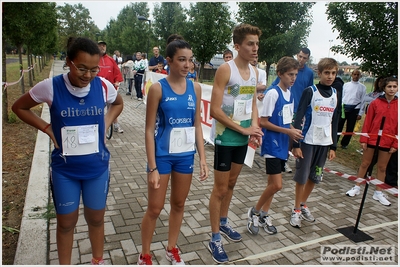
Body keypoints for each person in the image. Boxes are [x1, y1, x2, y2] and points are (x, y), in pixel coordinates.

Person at [11, 37, 123, 265]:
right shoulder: (51, 87)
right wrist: (47, 128)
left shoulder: (102, 86)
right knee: (65, 223)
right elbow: (19, 107)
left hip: (97, 168)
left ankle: (98, 260)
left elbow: (118, 103)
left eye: (93, 69)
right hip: (65, 171)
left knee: (96, 220)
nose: (87, 75)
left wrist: (106, 123)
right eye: (81, 68)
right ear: (69, 62)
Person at [138, 39, 209, 265]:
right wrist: (152, 167)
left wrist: (203, 159)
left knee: (179, 204)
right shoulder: (158, 89)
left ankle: (171, 248)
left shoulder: (195, 87)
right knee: (155, 208)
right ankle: (145, 255)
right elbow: (149, 130)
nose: (187, 65)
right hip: (162, 156)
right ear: (168, 61)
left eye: (190, 60)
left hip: (185, 156)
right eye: (181, 60)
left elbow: (197, 125)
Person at [208, 23, 263, 264]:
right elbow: (215, 110)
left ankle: (223, 222)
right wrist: (243, 129)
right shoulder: (225, 70)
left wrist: (255, 127)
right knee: (219, 189)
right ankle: (214, 238)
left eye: (257, 44)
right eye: (250, 44)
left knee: (231, 185)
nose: (255, 48)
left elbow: (252, 103)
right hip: (225, 137)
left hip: (242, 137)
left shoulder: (255, 71)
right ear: (237, 46)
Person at [247, 56, 303, 235]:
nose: (293, 78)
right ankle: (254, 212)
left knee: (272, 184)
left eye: (295, 75)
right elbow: (263, 122)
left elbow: (287, 122)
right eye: (289, 75)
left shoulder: (291, 94)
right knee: (277, 185)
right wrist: (288, 132)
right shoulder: (273, 93)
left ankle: (264, 214)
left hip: (283, 145)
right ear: (280, 74)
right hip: (272, 144)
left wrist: (295, 134)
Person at [289, 57, 340, 228]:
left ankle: (303, 204)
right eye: (327, 73)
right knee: (302, 176)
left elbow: (335, 120)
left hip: (324, 143)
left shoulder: (335, 94)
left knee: (315, 176)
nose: (330, 76)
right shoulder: (310, 91)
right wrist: (296, 144)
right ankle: (296, 209)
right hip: (308, 141)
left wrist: (333, 146)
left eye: (333, 73)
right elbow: (299, 116)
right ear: (319, 73)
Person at [345, 76, 397, 206]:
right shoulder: (375, 103)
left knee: (382, 167)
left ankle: (378, 192)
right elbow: (368, 123)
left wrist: (396, 144)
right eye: (389, 86)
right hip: (372, 140)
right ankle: (357, 186)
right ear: (384, 88)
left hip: (387, 142)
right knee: (365, 164)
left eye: (394, 86)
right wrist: (364, 139)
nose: (392, 89)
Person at [271, 48, 314, 173]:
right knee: (285, 133)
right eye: (300, 56)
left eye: (304, 58)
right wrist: (266, 93)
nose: (301, 59)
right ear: (297, 55)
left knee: (293, 136)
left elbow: (309, 91)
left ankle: (285, 160)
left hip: (299, 109)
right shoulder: (287, 70)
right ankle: (280, 159)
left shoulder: (309, 73)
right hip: (285, 106)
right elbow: (274, 84)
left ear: (308, 59)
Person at [97, 40, 124, 133]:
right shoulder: (94, 59)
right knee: (98, 108)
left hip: (111, 88)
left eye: (104, 46)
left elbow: (117, 72)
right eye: (100, 45)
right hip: (98, 88)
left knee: (113, 106)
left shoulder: (111, 60)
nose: (102, 47)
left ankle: (116, 125)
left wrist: (117, 81)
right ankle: (98, 125)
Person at [337, 69, 366, 149]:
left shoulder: (362, 87)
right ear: (351, 75)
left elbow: (363, 100)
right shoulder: (346, 85)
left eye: (358, 75)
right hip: (344, 107)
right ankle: (334, 141)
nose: (356, 76)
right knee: (339, 125)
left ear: (360, 76)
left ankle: (344, 143)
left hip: (355, 109)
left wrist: (360, 113)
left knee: (350, 128)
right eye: (354, 74)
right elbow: (342, 97)